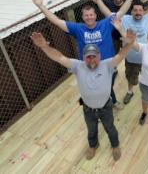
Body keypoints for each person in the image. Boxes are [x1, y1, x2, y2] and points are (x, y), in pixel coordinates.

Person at [30, 29, 136, 161]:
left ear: (99, 56)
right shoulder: (77, 66)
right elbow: (58, 57)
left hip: (106, 107)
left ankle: (115, 145)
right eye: (88, 56)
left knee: (110, 128)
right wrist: (44, 47)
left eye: (94, 56)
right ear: (83, 57)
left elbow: (121, 55)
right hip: (88, 109)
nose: (91, 60)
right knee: (91, 130)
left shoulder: (107, 64)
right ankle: (93, 145)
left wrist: (130, 44)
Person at [29, 0, 137, 109]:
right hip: (88, 68)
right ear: (83, 17)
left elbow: (121, 13)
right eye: (86, 15)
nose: (89, 17)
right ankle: (97, 103)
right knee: (92, 88)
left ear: (95, 16)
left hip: (108, 65)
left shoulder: (106, 24)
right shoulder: (78, 28)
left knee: (108, 85)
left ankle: (109, 102)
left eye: (91, 15)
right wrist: (41, 6)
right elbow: (57, 21)